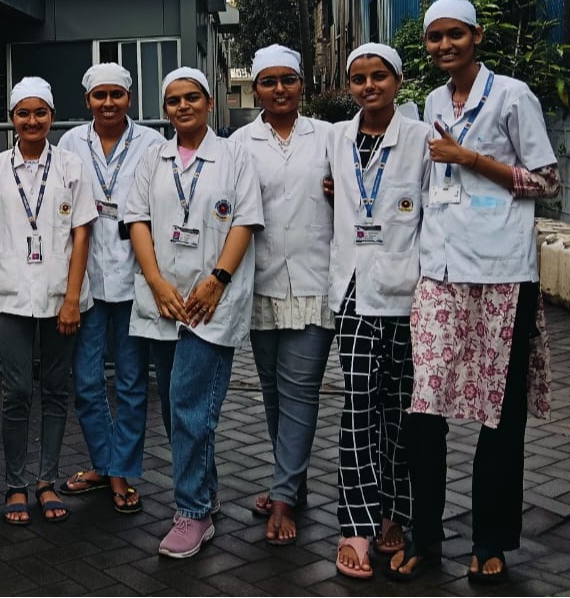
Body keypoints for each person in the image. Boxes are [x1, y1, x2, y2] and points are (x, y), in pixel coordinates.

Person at [388, 0, 559, 584]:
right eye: (434, 37)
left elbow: (547, 181)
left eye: (454, 35)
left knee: (500, 415)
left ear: (477, 36)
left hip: (503, 274)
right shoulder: (433, 102)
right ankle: (425, 537)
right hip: (440, 274)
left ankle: (491, 540)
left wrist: (471, 158)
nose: (444, 46)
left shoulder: (512, 96)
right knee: (424, 408)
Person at [126, 67, 263, 559]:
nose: (182, 106)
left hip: (212, 302)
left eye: (191, 98)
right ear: (165, 109)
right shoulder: (153, 158)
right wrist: (156, 282)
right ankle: (205, 489)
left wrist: (217, 281)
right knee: (175, 407)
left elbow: (245, 222)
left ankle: (193, 511)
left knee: (189, 404)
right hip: (165, 300)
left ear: (208, 102)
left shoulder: (234, 156)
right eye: (173, 100)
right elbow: (137, 221)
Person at [327, 44, 430, 580]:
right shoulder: (336, 138)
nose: (369, 86)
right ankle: (356, 525)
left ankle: (395, 513)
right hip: (353, 292)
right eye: (359, 78)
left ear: (398, 81)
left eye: (379, 76)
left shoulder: (421, 139)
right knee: (359, 409)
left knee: (401, 410)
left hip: (407, 292)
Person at [230, 44, 335, 545]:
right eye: (268, 82)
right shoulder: (239, 143)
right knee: (272, 391)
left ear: (301, 85)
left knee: (299, 391)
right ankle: (292, 480)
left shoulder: (330, 137)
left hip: (315, 281)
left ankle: (284, 497)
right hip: (261, 282)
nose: (279, 90)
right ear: (256, 89)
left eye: (287, 80)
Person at [0, 77, 97, 525]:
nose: (32, 121)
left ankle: (46, 480)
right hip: (11, 293)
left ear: (52, 115)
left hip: (59, 295)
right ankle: (15, 483)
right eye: (23, 113)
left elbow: (82, 233)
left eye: (40, 113)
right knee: (16, 391)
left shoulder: (71, 165)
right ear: (12, 118)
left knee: (54, 389)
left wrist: (72, 298)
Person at [56, 63, 165, 514]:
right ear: (87, 101)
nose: (108, 103)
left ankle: (120, 469)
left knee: (132, 383)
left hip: (135, 278)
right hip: (86, 280)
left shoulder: (152, 143)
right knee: (86, 381)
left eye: (116, 95)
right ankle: (105, 464)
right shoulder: (69, 143)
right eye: (99, 95)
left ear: (129, 98)